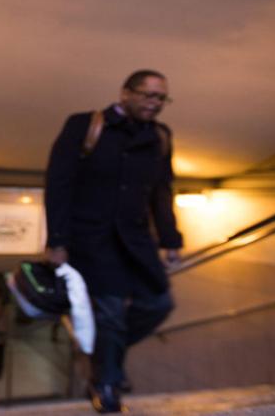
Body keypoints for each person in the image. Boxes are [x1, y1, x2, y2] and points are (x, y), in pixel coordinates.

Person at [44, 70, 182, 413]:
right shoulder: (84, 125)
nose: (155, 104)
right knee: (110, 313)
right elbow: (58, 184)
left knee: (159, 303)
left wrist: (170, 240)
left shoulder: (161, 136)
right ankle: (106, 385)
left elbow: (162, 192)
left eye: (161, 98)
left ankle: (105, 355)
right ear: (125, 93)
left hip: (136, 240)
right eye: (148, 95)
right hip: (92, 239)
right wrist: (57, 240)